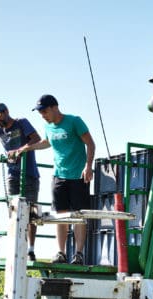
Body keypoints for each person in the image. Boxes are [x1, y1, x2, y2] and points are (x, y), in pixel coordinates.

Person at [13, 94, 95, 264]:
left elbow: (90, 143)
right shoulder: (48, 127)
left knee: (79, 215)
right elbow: (45, 142)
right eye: (40, 112)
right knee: (61, 214)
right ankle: (61, 252)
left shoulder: (74, 121)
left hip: (78, 175)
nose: (42, 115)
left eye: (44, 111)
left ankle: (78, 254)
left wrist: (88, 166)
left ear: (54, 107)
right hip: (59, 176)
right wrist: (25, 148)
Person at [0, 102, 42, 261]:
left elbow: (36, 138)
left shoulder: (21, 123)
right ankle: (15, 247)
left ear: (6, 112)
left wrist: (20, 150)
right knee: (14, 212)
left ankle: (30, 250)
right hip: (12, 175)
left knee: (31, 212)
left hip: (30, 174)